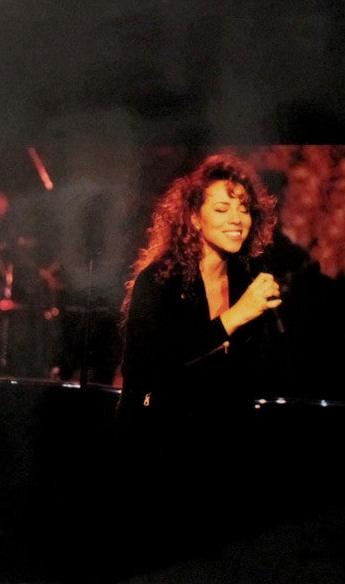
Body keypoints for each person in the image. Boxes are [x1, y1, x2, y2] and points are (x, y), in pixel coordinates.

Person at [111, 153, 282, 571]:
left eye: (244, 208)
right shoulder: (160, 281)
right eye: (222, 209)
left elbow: (258, 374)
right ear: (193, 218)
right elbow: (149, 366)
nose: (237, 219)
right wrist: (235, 317)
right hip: (160, 455)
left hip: (222, 457)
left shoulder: (246, 280)